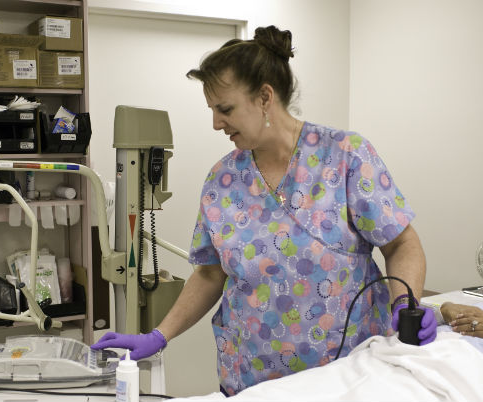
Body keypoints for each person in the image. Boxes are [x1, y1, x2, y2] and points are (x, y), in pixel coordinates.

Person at [92, 25, 436, 396]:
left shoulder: (346, 156)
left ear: (265, 97)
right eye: (212, 110)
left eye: (225, 109)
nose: (215, 123)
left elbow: (401, 244)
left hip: (346, 376)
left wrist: (406, 304)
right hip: (250, 378)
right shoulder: (222, 179)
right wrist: (159, 335)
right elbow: (209, 274)